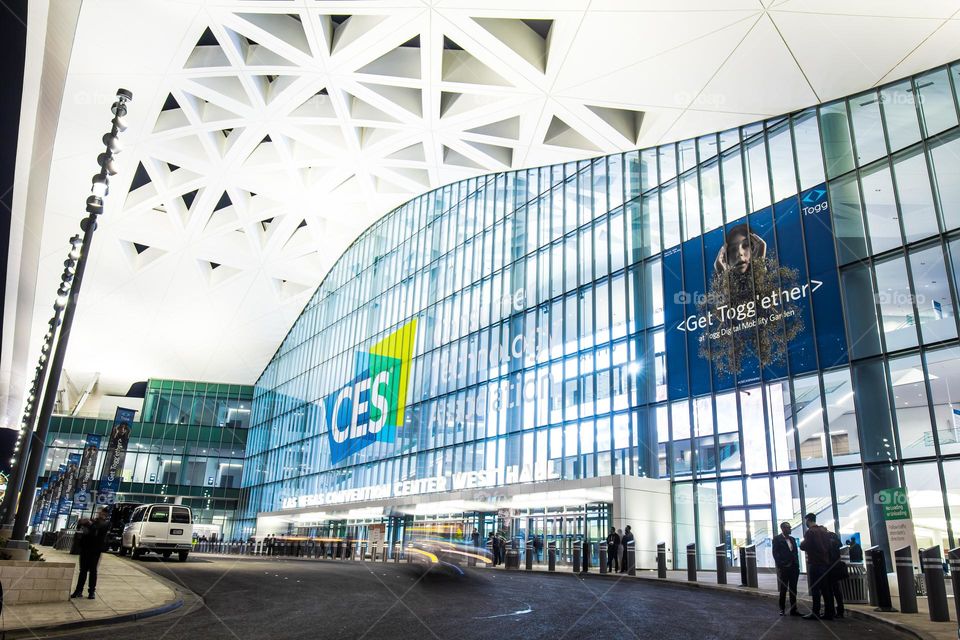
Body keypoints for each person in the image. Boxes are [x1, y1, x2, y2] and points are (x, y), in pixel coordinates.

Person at [799, 513, 835, 620]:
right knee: (826, 589)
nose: (805, 523)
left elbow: (804, 546)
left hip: (815, 563)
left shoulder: (810, 532)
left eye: (806, 521)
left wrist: (802, 544)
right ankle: (829, 612)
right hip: (825, 563)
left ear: (808, 520)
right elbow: (829, 545)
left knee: (815, 589)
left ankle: (815, 612)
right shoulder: (824, 531)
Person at [72, 507, 110, 599]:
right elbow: (81, 529)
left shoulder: (105, 524)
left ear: (105, 515)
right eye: (99, 512)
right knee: (83, 570)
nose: (99, 514)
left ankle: (91, 591)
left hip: (95, 550)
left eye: (101, 513)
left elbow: (98, 530)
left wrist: (89, 524)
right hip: (85, 548)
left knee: (93, 571)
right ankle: (78, 590)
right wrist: (81, 523)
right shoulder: (92, 521)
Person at [772, 521, 801, 616]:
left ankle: (794, 609)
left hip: (794, 568)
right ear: (783, 529)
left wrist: (797, 565)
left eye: (790, 527)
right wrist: (781, 565)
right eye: (788, 527)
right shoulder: (777, 539)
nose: (790, 529)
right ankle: (782, 609)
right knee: (783, 589)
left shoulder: (792, 539)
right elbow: (775, 554)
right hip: (784, 568)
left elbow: (795, 553)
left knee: (793, 589)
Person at [829, 531, 846, 618]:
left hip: (829, 568)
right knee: (836, 590)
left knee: (830, 590)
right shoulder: (836, 542)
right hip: (836, 567)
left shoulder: (828, 542)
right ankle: (840, 610)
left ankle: (831, 610)